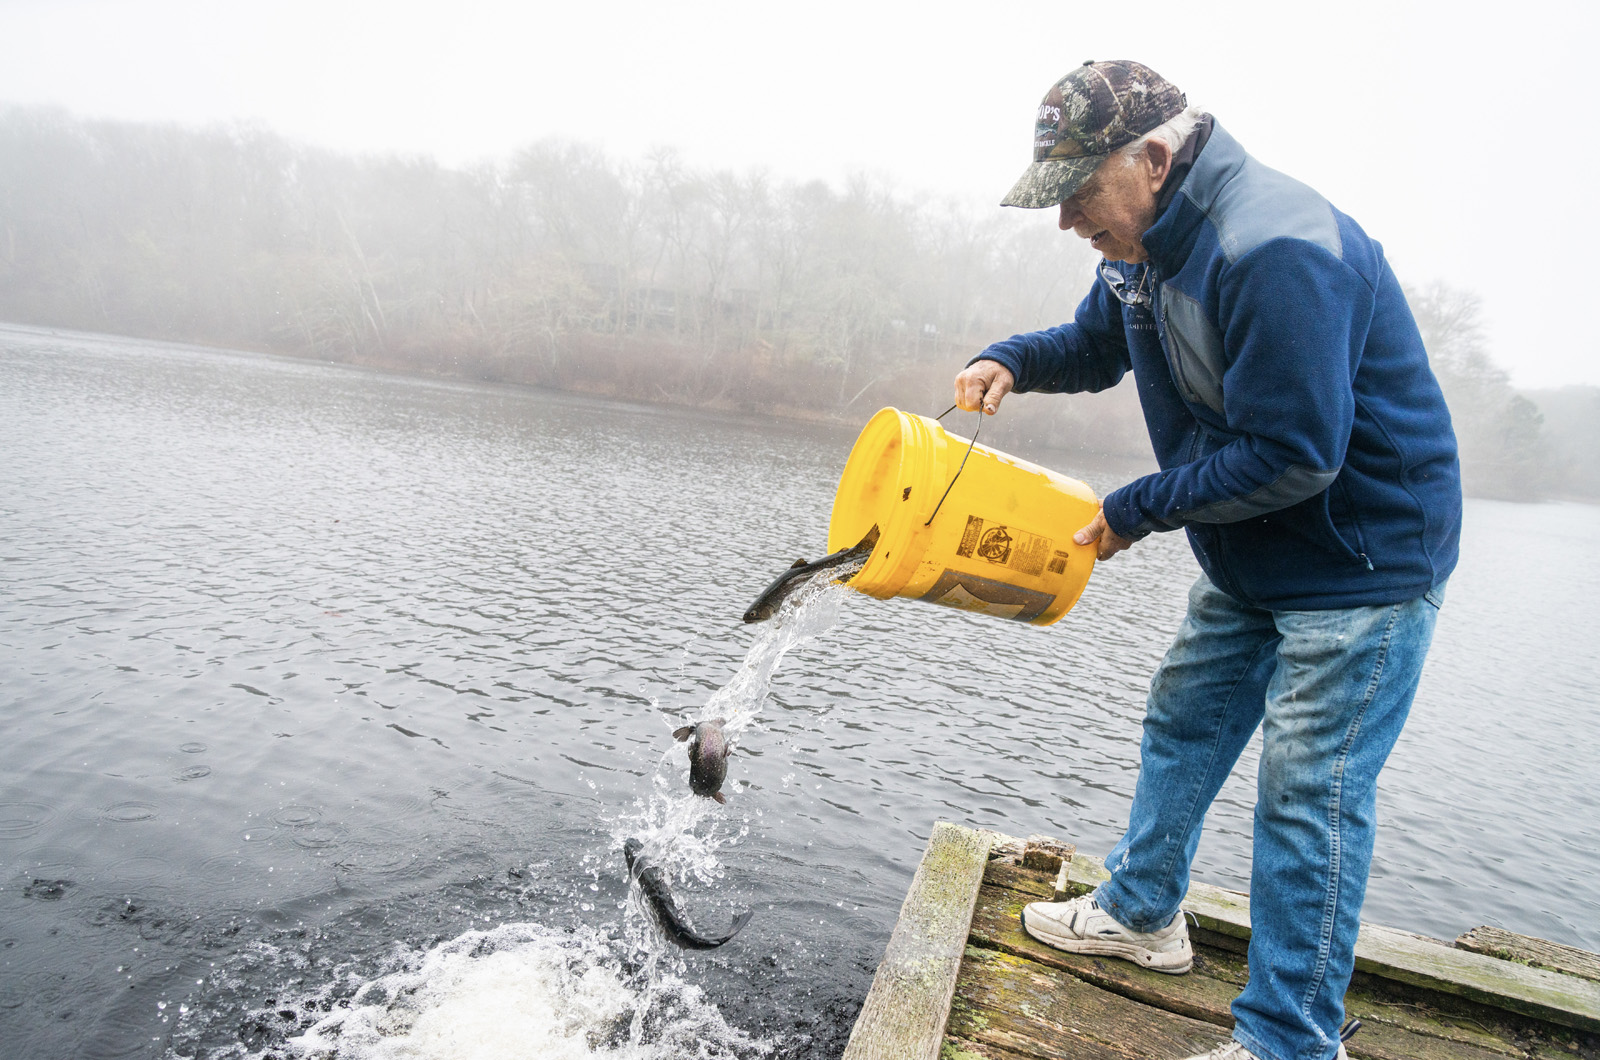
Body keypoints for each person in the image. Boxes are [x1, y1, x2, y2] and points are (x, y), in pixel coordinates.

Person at [953, 60, 1461, 1060]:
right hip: (1253, 546)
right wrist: (1009, 355)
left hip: (1362, 561)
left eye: (1077, 197)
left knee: (1308, 796)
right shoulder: (1139, 239)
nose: (1066, 223)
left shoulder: (1278, 247)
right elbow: (1098, 346)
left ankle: (1288, 1041)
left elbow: (1297, 452)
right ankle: (1143, 913)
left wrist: (1136, 507)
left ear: (1151, 157)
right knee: (1184, 717)